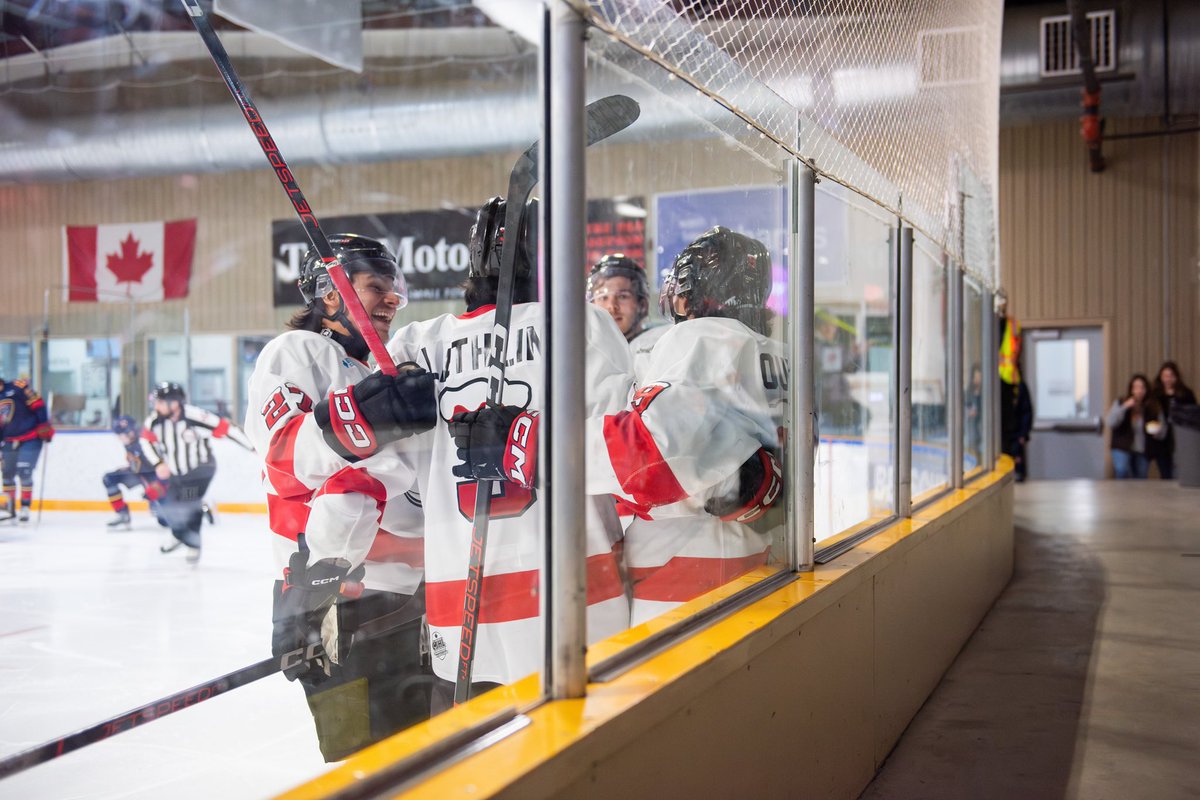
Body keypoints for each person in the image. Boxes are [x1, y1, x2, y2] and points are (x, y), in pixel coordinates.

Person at [452, 225, 786, 627]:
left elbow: (653, 455)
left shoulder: (702, 337)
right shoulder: (780, 354)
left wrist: (524, 444)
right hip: (755, 562)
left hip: (685, 576)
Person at [387, 196, 634, 709]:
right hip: (573, 595)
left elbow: (392, 481)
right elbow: (619, 454)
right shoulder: (582, 326)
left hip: (459, 602)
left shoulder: (416, 344)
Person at [245, 233, 437, 761]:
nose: (393, 298)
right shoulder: (297, 352)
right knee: (363, 767)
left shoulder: (383, 370)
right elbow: (285, 459)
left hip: (410, 606)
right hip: (332, 607)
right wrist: (366, 417)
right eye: (375, 286)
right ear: (331, 294)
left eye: (394, 288)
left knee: (423, 763)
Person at [141, 381, 252, 562]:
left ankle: (193, 543)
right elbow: (146, 441)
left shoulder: (195, 416)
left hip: (201, 469)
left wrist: (254, 447)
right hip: (176, 473)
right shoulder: (154, 421)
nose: (156, 406)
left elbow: (227, 429)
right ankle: (180, 534)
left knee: (188, 502)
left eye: (160, 402)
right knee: (166, 505)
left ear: (174, 403)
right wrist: (158, 463)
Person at [586, 253, 667, 379]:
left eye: (623, 296)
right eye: (603, 297)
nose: (612, 306)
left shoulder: (660, 345)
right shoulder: (585, 352)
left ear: (642, 304)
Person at [0, 376, 54, 523]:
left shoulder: (18, 386)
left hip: (30, 437)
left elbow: (38, 404)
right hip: (8, 440)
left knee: (24, 472)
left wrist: (44, 425)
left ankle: (25, 507)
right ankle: (10, 509)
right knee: (7, 475)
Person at [102, 414, 167, 530]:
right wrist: (130, 467)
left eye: (121, 434)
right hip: (139, 473)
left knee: (164, 519)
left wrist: (152, 491)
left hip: (154, 475)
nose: (119, 438)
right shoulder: (130, 441)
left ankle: (197, 506)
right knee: (109, 478)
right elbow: (138, 464)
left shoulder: (144, 441)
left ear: (131, 432)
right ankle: (122, 515)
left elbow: (157, 467)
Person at [1106, 373, 1167, 479]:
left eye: (1142, 387)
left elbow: (1163, 429)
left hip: (1142, 448)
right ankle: (1121, 494)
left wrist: (1158, 431)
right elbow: (1110, 422)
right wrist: (1124, 407)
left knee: (1141, 476)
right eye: (1136, 387)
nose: (1139, 391)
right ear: (1131, 389)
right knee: (1122, 470)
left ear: (1146, 389)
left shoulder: (1153, 406)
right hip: (1122, 446)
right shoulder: (1121, 402)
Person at [1150, 361, 1197, 479]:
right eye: (1165, 376)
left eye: (1171, 376)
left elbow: (1193, 414)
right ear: (1160, 377)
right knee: (1164, 470)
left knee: (1179, 467)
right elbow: (1150, 415)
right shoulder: (1155, 394)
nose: (1168, 379)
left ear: (1176, 377)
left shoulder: (1186, 393)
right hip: (1161, 438)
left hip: (1180, 434)